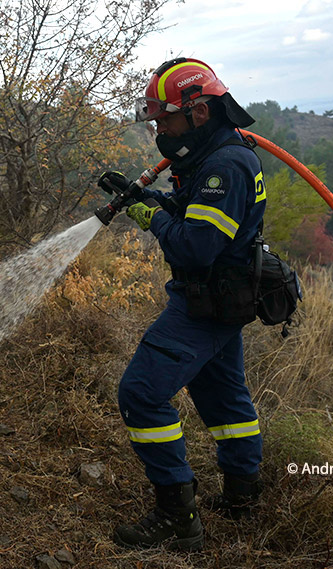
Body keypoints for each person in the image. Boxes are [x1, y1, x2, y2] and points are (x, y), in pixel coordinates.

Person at [99, 58, 265, 551]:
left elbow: (196, 246)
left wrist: (149, 215)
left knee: (141, 394)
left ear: (197, 111)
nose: (159, 130)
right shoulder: (214, 155)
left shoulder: (224, 166)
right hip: (223, 299)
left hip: (205, 303)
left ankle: (176, 516)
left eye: (164, 119)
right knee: (224, 400)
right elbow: (196, 218)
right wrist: (144, 200)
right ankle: (242, 493)